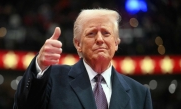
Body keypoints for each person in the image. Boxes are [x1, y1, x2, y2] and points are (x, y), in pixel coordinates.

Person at [13, 8, 153, 109]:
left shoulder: (140, 94)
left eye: (106, 33)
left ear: (116, 42)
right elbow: (24, 105)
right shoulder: (53, 79)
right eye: (91, 33)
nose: (99, 39)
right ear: (78, 44)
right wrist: (40, 65)